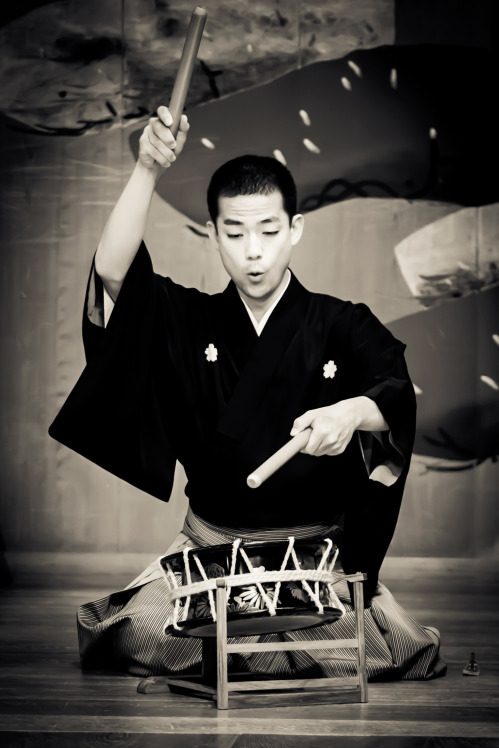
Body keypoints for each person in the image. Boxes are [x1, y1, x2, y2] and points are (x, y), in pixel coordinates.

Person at [50, 107, 445, 680]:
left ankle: (254, 652)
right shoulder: (188, 319)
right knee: (137, 629)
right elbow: (115, 275)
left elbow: (394, 391)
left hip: (314, 561)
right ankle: (258, 650)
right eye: (235, 233)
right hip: (211, 555)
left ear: (295, 229)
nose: (253, 251)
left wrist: (352, 412)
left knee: (380, 646)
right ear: (212, 234)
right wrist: (146, 167)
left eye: (267, 231)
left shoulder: (343, 324)